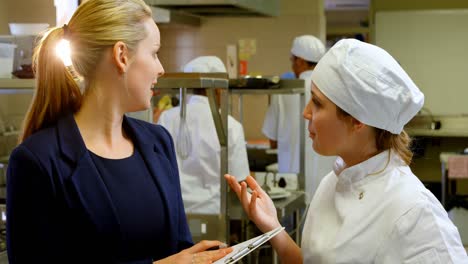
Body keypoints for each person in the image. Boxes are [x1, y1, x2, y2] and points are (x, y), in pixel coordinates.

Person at [6, 0, 232, 263]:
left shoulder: (158, 142)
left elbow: (179, 248)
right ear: (122, 56)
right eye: (154, 53)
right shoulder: (37, 161)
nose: (160, 68)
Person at [226, 39, 468, 263]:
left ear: (357, 120)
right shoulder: (332, 183)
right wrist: (272, 227)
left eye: (318, 103)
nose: (306, 112)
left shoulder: (414, 213)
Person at [158, 56, 250, 214]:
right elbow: (240, 181)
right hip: (214, 212)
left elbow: (159, 170)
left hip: (174, 212)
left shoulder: (166, 118)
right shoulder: (231, 126)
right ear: (219, 88)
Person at [262, 35, 335, 200]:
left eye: (293, 60)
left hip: (291, 184)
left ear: (300, 61)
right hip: (326, 183)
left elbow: (273, 141)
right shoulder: (331, 90)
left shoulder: (283, 92)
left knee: (291, 225)